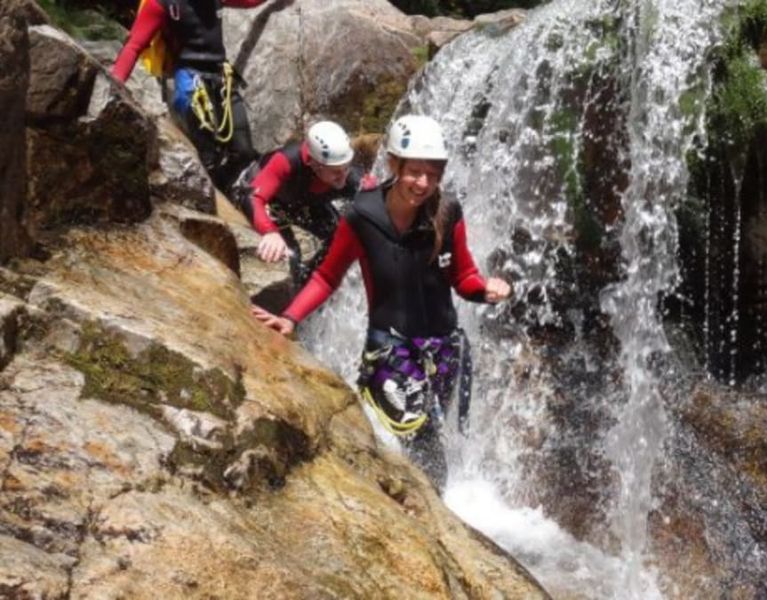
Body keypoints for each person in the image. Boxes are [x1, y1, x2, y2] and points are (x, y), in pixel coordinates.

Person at [252, 114, 512, 488]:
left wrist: (486, 290)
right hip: (390, 350)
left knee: (430, 433)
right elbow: (327, 275)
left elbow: (463, 277)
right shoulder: (362, 215)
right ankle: (434, 522)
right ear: (394, 164)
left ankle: (417, 504)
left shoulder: (447, 212)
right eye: (415, 172)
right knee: (424, 444)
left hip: (443, 349)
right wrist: (290, 317)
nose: (424, 183)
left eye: (433, 174)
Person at [111, 0, 266, 190]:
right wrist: (115, 84)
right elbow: (134, 45)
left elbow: (250, 1)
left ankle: (225, 190)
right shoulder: (161, 3)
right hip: (189, 77)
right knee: (209, 155)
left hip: (220, 75)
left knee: (244, 151)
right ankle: (210, 193)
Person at [236, 120, 376, 283]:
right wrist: (270, 232)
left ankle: (309, 283)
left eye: (346, 167)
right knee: (290, 256)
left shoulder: (352, 179)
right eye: (336, 171)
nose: (343, 176)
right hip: (267, 197)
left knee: (339, 236)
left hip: (303, 203)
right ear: (313, 163)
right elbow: (252, 197)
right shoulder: (287, 160)